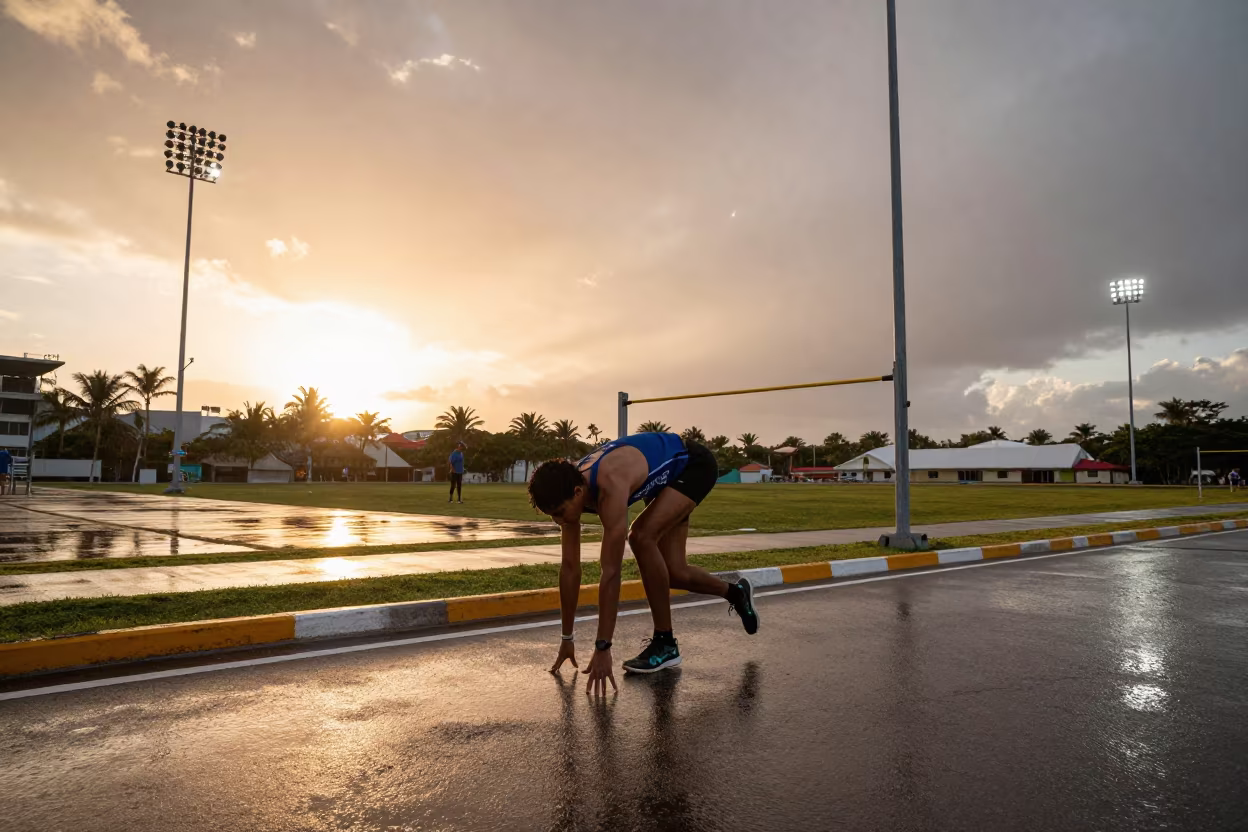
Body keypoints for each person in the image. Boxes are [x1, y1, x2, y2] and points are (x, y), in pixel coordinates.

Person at [528, 432, 759, 695]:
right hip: (664, 477)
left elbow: (611, 573)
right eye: (552, 517)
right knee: (673, 573)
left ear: (578, 492)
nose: (560, 521)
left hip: (692, 465)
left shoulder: (609, 484)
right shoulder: (569, 490)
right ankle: (736, 593)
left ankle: (665, 642)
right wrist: (567, 639)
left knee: (640, 536)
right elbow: (570, 569)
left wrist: (603, 647)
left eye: (559, 513)